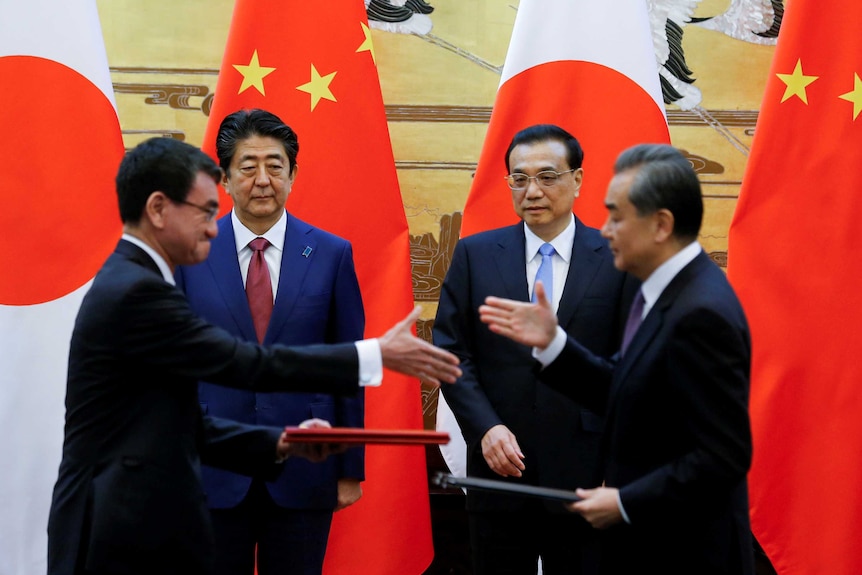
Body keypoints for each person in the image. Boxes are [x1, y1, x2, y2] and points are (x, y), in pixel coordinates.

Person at [46, 136, 461, 575]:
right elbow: (246, 362)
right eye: (204, 212)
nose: (213, 228)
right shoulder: (139, 291)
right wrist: (373, 354)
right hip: (112, 524)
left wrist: (279, 443)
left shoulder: (133, 278)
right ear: (158, 209)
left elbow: (176, 417)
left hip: (124, 513)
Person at [479, 143, 754, 575]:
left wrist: (626, 501)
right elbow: (628, 395)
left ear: (661, 225)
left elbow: (723, 458)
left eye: (617, 217)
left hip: (687, 552)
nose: (604, 230)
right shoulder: (662, 292)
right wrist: (554, 346)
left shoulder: (701, 312)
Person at [433, 124, 636, 575]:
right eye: (519, 179)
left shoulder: (618, 256)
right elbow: (451, 351)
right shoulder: (475, 255)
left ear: (578, 180)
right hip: (499, 469)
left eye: (548, 177)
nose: (533, 191)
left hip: (587, 475)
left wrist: (619, 470)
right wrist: (485, 428)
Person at [174, 109, 364, 575]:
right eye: (248, 165)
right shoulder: (188, 252)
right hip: (211, 470)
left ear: (293, 174)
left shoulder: (331, 254)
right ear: (224, 177)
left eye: (275, 166)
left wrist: (350, 466)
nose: (263, 179)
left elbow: (348, 366)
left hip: (305, 469)